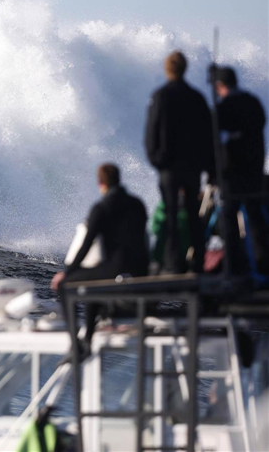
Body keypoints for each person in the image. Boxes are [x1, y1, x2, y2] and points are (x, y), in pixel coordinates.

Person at [51, 164, 149, 347]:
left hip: (115, 269)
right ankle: (88, 335)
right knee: (93, 280)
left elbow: (86, 244)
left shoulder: (102, 207)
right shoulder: (138, 204)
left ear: (101, 183)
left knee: (67, 285)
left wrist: (67, 272)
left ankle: (76, 342)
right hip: (140, 270)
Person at [145, 50, 213, 273]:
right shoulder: (197, 97)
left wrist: (156, 160)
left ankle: (173, 263)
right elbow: (208, 135)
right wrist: (206, 164)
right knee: (193, 214)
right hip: (192, 167)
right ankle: (198, 262)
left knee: (171, 215)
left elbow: (151, 132)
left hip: (169, 168)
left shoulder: (161, 95)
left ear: (168, 69)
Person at [213, 66, 268, 275]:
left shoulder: (224, 107)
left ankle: (235, 265)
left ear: (220, 86)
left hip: (232, 173)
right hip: (254, 171)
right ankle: (263, 262)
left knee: (228, 217)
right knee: (255, 217)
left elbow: (216, 141)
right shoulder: (253, 102)